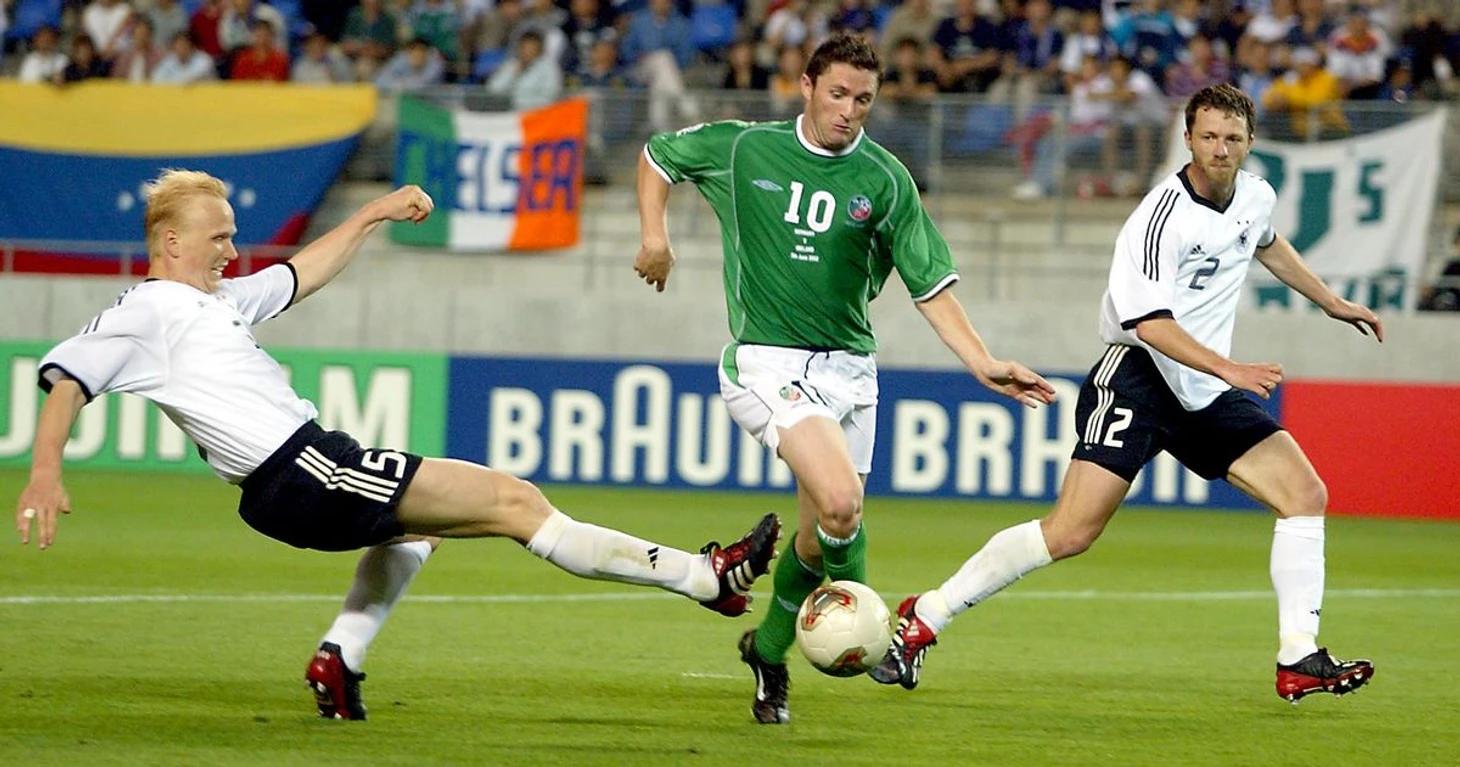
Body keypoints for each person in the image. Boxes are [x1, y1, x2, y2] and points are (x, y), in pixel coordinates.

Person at [14, 169, 781, 721]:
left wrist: (374, 212)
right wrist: (45, 471)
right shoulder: (147, 310)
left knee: (421, 532)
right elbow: (68, 379)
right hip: (303, 469)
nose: (232, 250)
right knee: (513, 500)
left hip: (294, 478)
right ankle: (704, 576)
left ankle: (339, 657)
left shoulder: (212, 301)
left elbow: (299, 272)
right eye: (220, 237)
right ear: (172, 240)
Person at [871, 84, 1382, 706]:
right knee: (1069, 533)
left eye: (1233, 138)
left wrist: (1331, 302)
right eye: (1209, 136)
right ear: (1188, 139)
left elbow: (1268, 243)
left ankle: (1298, 655)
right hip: (1137, 376)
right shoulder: (1159, 218)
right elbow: (1150, 325)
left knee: (1305, 495)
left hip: (1203, 385)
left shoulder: (1256, 195)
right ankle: (927, 614)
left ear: (1251, 142)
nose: (1220, 149)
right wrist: (1229, 368)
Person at [634, 33, 1055, 724]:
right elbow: (657, 155)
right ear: (805, 87)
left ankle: (768, 650)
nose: (849, 110)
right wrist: (656, 235)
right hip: (766, 361)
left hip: (852, 372)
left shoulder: (885, 180)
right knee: (840, 502)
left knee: (815, 537)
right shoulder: (746, 148)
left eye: (863, 99)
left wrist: (981, 360)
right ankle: (875, 626)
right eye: (837, 94)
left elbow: (929, 282)